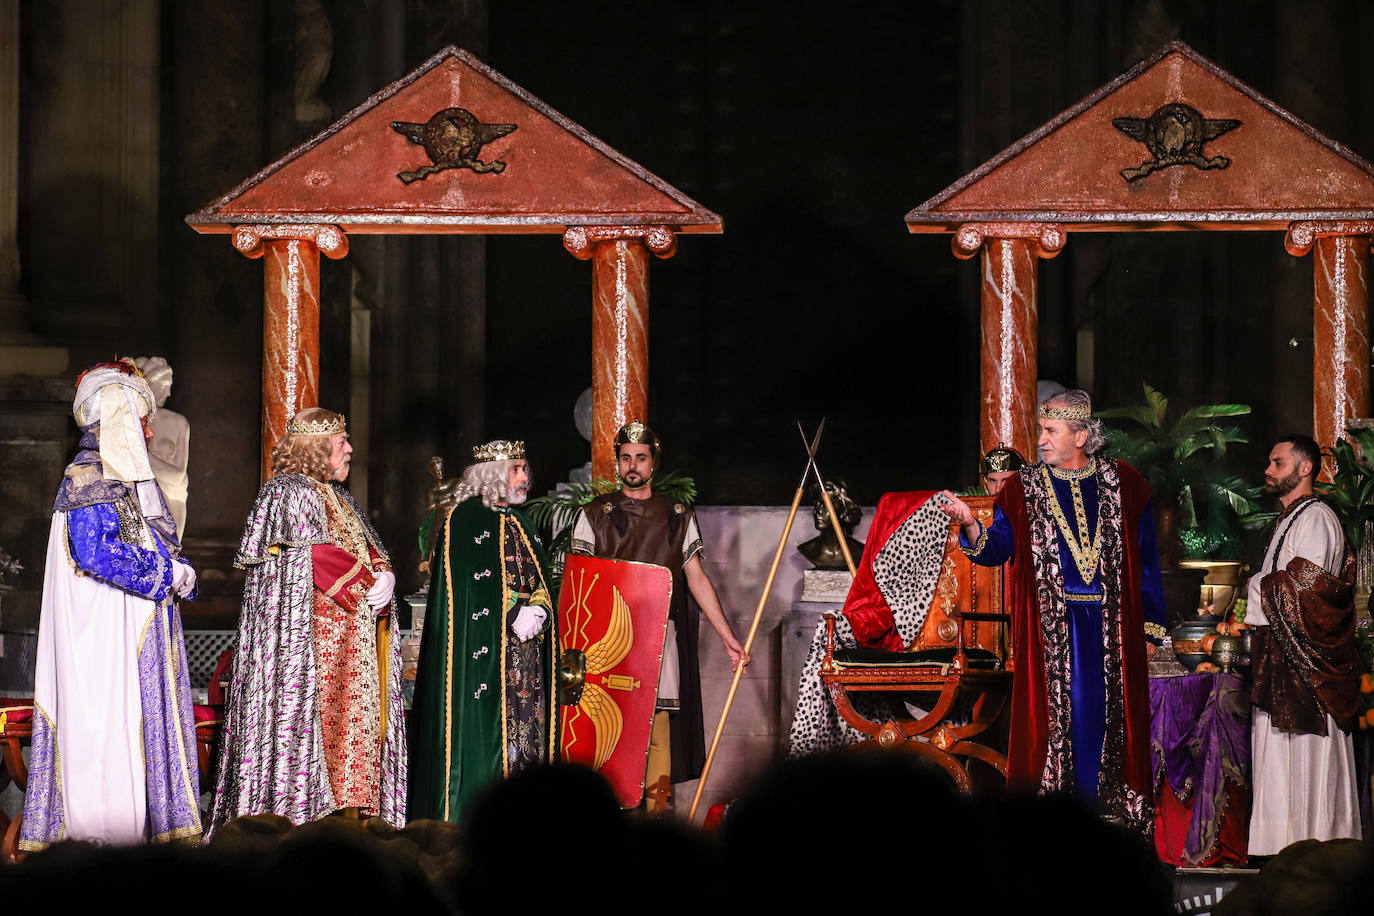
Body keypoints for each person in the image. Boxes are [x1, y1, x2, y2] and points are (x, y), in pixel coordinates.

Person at [939, 390, 1166, 830]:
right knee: (1062, 722)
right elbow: (996, 548)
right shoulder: (1024, 489)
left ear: (1080, 435)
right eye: (1041, 429)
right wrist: (970, 522)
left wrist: (1151, 631)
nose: (1039, 440)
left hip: (1112, 630)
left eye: (1050, 431)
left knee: (1109, 722)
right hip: (1052, 634)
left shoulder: (1126, 483)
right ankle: (1055, 829)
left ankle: (1111, 825)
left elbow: (1147, 563)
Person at [20, 359, 201, 849]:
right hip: (101, 637)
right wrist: (166, 574)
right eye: (138, 418)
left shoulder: (123, 481)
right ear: (115, 417)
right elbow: (99, 553)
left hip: (131, 628)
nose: (147, 428)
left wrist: (177, 572)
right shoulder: (90, 478)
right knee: (107, 728)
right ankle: (104, 845)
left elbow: (154, 539)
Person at [209, 407, 405, 836]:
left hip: (351, 639)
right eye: (341, 442)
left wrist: (385, 574)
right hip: (314, 644)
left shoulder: (337, 496)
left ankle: (352, 823)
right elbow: (313, 555)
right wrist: (367, 581)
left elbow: (364, 545)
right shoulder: (290, 492)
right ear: (317, 449)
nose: (350, 449)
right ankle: (302, 823)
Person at [569, 421, 747, 811]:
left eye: (641, 458)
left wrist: (728, 637)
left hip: (658, 636)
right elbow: (580, 587)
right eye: (626, 458)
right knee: (611, 730)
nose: (633, 465)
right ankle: (608, 817)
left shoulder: (677, 514)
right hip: (608, 641)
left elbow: (696, 578)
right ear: (617, 463)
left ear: (654, 463)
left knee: (658, 730)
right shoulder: (594, 514)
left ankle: (658, 815)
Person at [408, 440, 558, 822]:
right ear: (493, 474)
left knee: (528, 734)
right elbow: (469, 586)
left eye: (526, 469)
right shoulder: (465, 518)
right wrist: (511, 612)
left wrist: (540, 608)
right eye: (517, 468)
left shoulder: (523, 523)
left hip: (527, 655)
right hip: (488, 649)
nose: (525, 477)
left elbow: (537, 577)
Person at [1246, 435, 1362, 853]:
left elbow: (1312, 591)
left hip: (1310, 670)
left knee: (1308, 757)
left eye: (1277, 462)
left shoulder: (1316, 517)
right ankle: (1280, 846)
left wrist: (1255, 585)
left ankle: (1315, 848)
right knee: (1279, 757)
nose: (1268, 470)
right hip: (1284, 662)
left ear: (1304, 468)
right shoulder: (1290, 519)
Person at [133, 356, 190, 535]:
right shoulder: (132, 420)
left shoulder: (179, 423)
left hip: (173, 498)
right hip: (140, 497)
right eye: (164, 386)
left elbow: (178, 476)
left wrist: (144, 456)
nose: (168, 394)